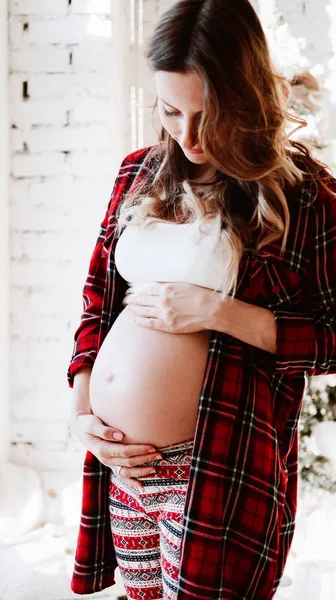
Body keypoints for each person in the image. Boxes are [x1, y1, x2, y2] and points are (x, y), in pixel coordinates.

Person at [67, 0, 336, 598]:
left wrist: (221, 312)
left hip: (219, 466)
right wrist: (84, 416)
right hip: (125, 466)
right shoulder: (136, 172)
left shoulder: (305, 192)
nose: (186, 137)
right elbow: (97, 301)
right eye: (170, 111)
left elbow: (332, 336)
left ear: (243, 97)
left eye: (207, 115)